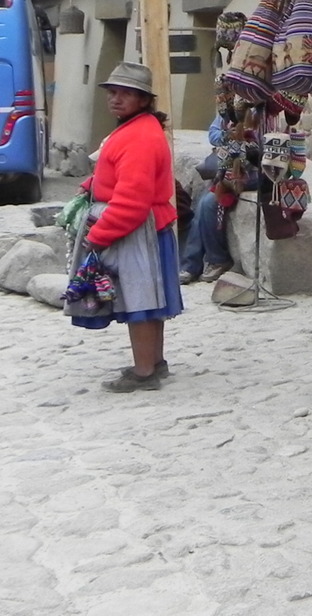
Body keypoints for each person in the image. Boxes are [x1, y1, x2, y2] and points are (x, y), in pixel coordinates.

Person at [66, 61, 183, 392]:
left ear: (144, 100)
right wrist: (93, 183)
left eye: (126, 94)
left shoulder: (140, 137)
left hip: (136, 230)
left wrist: (98, 237)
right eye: (112, 92)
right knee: (150, 300)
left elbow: (132, 200)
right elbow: (120, 174)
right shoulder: (137, 129)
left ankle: (144, 371)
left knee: (140, 301)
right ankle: (154, 363)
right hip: (144, 228)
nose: (116, 99)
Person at [179, 114, 240, 285]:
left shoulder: (261, 112)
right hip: (226, 171)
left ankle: (218, 258)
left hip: (247, 173)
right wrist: (227, 135)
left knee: (208, 203)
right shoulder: (229, 109)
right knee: (201, 205)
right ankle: (191, 265)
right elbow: (213, 133)